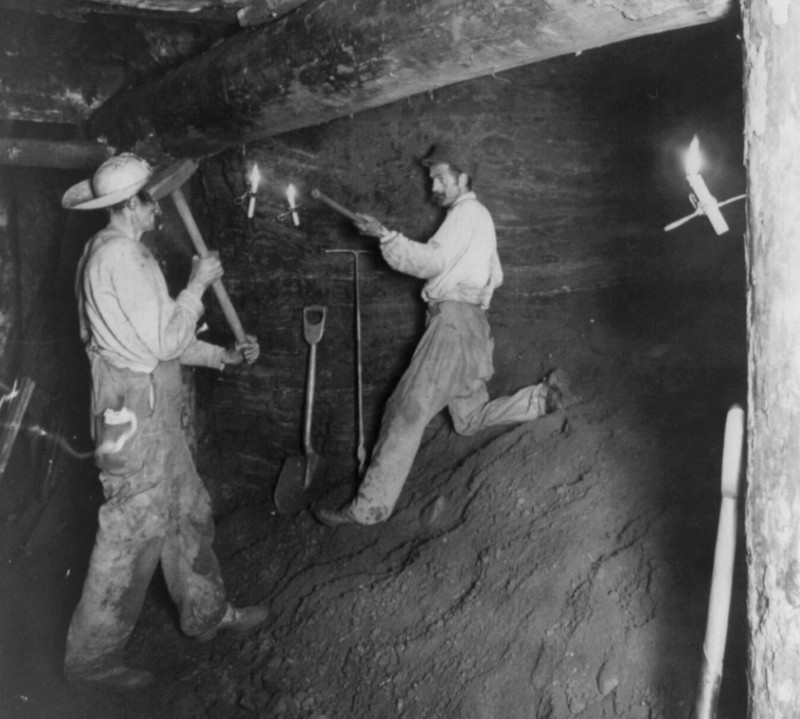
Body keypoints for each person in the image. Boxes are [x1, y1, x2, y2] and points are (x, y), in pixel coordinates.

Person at [61, 153, 269, 692]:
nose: (158, 208)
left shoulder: (119, 253)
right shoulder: (119, 259)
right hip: (130, 414)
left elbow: (161, 344)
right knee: (130, 528)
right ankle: (92, 660)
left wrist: (221, 356)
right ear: (132, 205)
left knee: (186, 507)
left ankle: (205, 611)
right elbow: (162, 341)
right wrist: (198, 284)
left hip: (142, 406)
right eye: (151, 199)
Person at [315, 141, 572, 527]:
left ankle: (369, 507)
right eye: (432, 179)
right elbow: (495, 275)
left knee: (405, 411)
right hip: (476, 329)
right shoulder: (482, 219)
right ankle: (539, 402)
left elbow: (432, 260)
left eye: (439, 179)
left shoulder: (465, 215)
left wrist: (385, 235)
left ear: (463, 178)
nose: (433, 187)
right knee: (467, 418)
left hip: (451, 328)